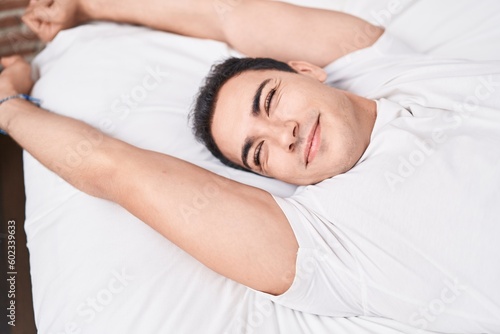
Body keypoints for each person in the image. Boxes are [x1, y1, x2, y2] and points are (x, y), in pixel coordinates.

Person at [1, 0, 498, 332]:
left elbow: (226, 15)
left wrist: (88, 5)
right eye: (259, 154)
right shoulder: (328, 242)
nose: (284, 135)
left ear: (305, 69)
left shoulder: (383, 67)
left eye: (272, 99)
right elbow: (111, 167)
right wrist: (11, 105)